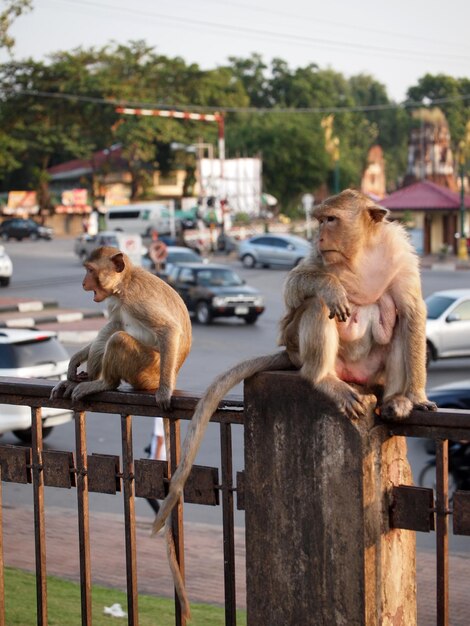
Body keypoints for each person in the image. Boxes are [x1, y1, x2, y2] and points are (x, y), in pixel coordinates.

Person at [146, 417, 166, 515]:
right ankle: (163, 516)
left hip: (158, 459)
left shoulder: (159, 417)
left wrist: (155, 463)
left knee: (147, 489)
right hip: (165, 458)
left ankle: (160, 515)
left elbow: (160, 440)